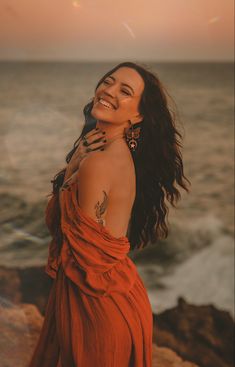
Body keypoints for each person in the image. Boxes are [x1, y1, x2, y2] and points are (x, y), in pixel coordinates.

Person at [28, 61, 191, 367]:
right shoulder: (114, 155)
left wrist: (72, 173)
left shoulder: (98, 163)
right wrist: (75, 164)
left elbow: (81, 252)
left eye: (125, 91)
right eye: (109, 81)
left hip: (97, 307)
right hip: (114, 294)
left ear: (137, 115)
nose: (109, 90)